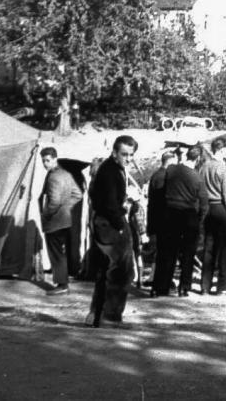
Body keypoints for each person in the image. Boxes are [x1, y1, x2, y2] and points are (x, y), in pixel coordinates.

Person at [85, 136, 138, 327]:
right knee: (121, 272)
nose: (128, 158)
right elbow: (109, 204)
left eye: (131, 155)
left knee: (105, 270)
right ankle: (111, 316)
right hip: (110, 224)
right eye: (124, 154)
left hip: (104, 223)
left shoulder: (111, 168)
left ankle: (96, 314)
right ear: (114, 152)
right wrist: (120, 224)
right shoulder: (110, 171)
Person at [153, 146, 208, 297]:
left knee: (168, 252)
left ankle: (162, 286)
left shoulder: (171, 170)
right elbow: (204, 203)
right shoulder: (197, 178)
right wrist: (200, 220)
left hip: (170, 213)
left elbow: (162, 191)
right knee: (188, 254)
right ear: (197, 159)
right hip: (189, 216)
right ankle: (184, 286)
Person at [39, 147, 84, 296]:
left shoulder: (53, 177)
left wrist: (46, 214)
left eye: (47, 160)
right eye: (43, 160)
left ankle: (62, 284)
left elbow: (54, 201)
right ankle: (62, 282)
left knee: (56, 253)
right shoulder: (66, 174)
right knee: (60, 252)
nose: (45, 164)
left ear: (54, 159)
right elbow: (78, 194)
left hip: (54, 222)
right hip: (65, 220)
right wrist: (67, 207)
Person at [200, 138, 226, 295]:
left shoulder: (203, 166)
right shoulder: (222, 168)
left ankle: (205, 286)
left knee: (208, 247)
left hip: (207, 208)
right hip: (221, 208)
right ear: (222, 150)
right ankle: (224, 286)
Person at [144, 152, 175, 287]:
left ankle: (154, 276)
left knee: (159, 250)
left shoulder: (156, 175)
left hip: (155, 216)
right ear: (169, 161)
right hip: (163, 218)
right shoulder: (164, 176)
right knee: (163, 250)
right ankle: (158, 278)